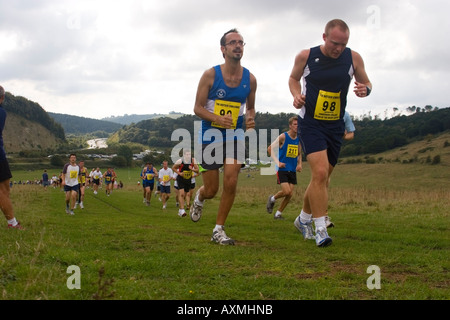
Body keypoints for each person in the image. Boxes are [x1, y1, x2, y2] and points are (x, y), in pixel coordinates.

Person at [288, 19, 372, 247]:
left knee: (322, 178)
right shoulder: (306, 56)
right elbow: (293, 79)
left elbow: (366, 82)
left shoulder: (353, 58)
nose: (339, 49)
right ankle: (321, 229)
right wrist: (296, 95)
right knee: (321, 173)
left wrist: (366, 89)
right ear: (324, 37)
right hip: (311, 123)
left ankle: (303, 219)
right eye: (335, 43)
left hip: (335, 126)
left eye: (343, 44)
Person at [191, 28, 257, 245]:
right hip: (210, 136)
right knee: (212, 190)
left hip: (234, 137)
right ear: (223, 49)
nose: (238, 45)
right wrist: (218, 119)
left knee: (231, 180)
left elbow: (250, 108)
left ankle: (218, 229)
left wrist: (249, 119)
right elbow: (197, 108)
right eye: (233, 42)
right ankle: (199, 198)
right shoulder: (210, 75)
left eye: (241, 42)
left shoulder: (250, 79)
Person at [266, 116, 302, 220]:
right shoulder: (283, 137)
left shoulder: (299, 138)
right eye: (295, 124)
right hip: (282, 169)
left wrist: (300, 164)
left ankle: (278, 214)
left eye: (298, 124)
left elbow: (299, 153)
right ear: (290, 126)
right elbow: (270, 149)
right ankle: (272, 198)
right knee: (286, 192)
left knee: (290, 195)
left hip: (292, 169)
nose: (297, 126)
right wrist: (278, 162)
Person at [325, 110, 356, 228]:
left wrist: (342, 135)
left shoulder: (345, 114)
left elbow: (351, 134)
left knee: (324, 180)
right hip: (318, 145)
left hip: (333, 147)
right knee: (321, 178)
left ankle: (309, 213)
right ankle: (322, 216)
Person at [0, 86, 23, 229]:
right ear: (2, 98)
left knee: (5, 190)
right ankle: (12, 223)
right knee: (3, 191)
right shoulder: (2, 112)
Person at [173, 150, 199, 217]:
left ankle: (180, 210)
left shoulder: (193, 161)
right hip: (181, 179)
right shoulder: (180, 161)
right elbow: (174, 168)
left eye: (189, 154)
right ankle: (182, 210)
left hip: (188, 180)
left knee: (185, 195)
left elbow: (197, 170)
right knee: (181, 194)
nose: (188, 156)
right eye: (187, 154)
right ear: (184, 155)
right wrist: (179, 173)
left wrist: (192, 169)